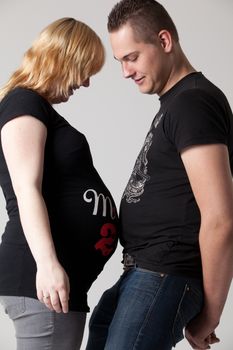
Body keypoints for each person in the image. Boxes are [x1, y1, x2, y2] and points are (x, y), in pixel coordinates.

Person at [86, 1, 233, 349]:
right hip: (143, 272)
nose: (125, 71)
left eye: (131, 57)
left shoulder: (193, 103)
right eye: (121, 60)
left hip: (165, 274)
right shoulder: (176, 103)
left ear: (164, 41)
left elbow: (220, 218)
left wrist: (211, 314)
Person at [0, 17, 118, 350]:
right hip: (41, 279)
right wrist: (48, 265)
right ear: (63, 58)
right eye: (85, 69)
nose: (85, 82)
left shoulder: (35, 107)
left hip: (58, 283)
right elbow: (26, 188)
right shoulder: (24, 102)